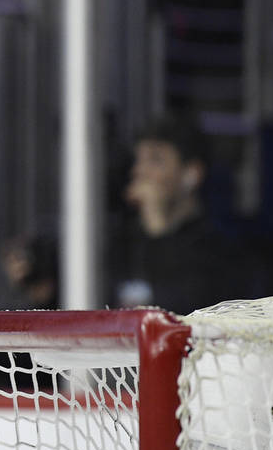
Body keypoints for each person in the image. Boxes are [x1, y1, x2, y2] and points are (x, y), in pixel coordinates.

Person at [109, 113, 264, 314]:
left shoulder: (219, 250)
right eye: (138, 160)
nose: (140, 171)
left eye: (155, 160)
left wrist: (158, 229)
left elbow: (182, 311)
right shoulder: (122, 243)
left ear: (191, 174)